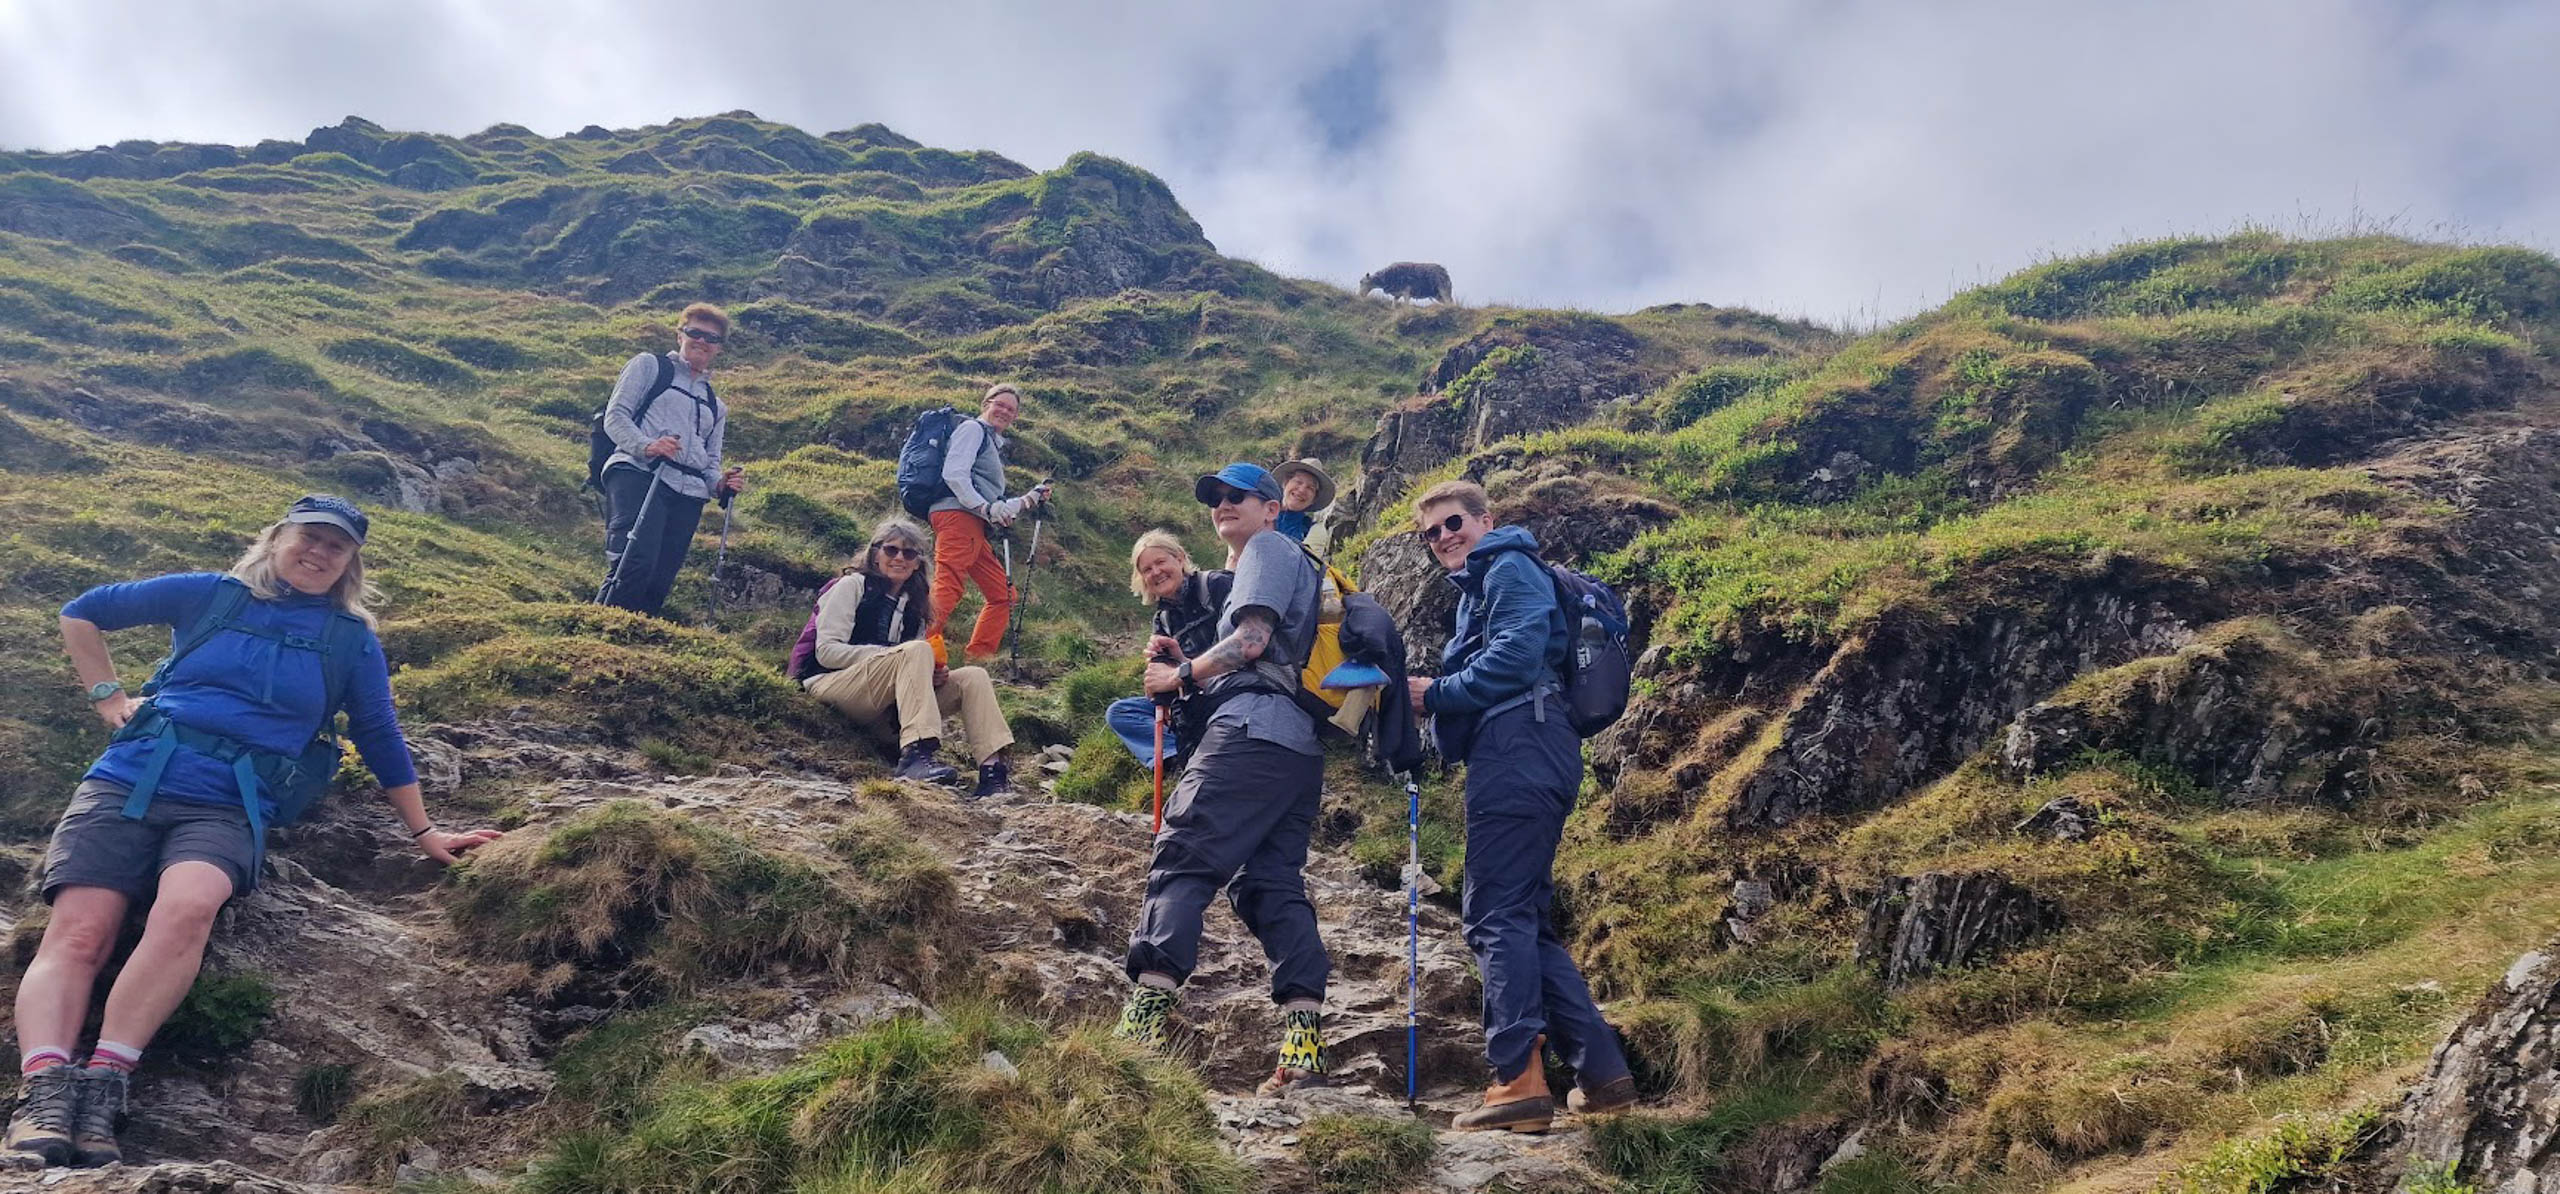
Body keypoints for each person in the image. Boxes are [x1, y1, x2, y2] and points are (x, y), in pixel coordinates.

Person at [8, 496, 502, 1169]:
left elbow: (379, 734)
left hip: (231, 805)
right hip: (127, 780)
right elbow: (83, 609)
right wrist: (109, 698)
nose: (320, 552)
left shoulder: (350, 640)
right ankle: (43, 1091)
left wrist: (426, 833)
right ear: (277, 539)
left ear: (350, 563)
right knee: (81, 932)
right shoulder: (211, 594)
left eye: (337, 546)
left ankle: (103, 1083)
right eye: (310, 537)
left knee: (188, 907)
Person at [1404, 480, 1635, 1132]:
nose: (1445, 536)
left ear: (1486, 520)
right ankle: (1604, 1074)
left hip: (1518, 742)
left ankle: (1516, 1080)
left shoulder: (1508, 566)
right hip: (1534, 746)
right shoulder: (1485, 582)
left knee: (1493, 913)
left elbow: (1517, 656)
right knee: (1526, 921)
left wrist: (1436, 694)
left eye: (1454, 523)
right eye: (1432, 533)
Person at [1114, 464, 1332, 1095]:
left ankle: (1142, 1028)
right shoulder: (1294, 562)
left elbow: (1254, 640)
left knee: (1182, 858)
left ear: (1272, 509)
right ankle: (1303, 1052)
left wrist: (1179, 678)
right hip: (1297, 749)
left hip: (1247, 731)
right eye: (1215, 499)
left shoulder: (1267, 548)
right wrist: (1194, 664)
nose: (1223, 506)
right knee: (1269, 887)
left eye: (1238, 496)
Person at [788, 516, 1018, 799]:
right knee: (916, 650)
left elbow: (910, 664)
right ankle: (917, 755)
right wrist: (892, 657)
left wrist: (930, 676)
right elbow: (827, 651)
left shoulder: (916, 605)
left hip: (885, 707)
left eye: (909, 553)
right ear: (875, 553)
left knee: (973, 677)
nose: (899, 558)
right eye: (891, 550)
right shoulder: (852, 586)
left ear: (918, 562)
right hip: (830, 685)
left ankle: (993, 773)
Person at [595, 302, 746, 617]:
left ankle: (633, 644)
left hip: (688, 493)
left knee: (661, 577)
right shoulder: (650, 366)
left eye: (712, 338)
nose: (703, 341)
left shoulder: (715, 405)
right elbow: (616, 416)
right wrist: (647, 446)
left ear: (719, 348)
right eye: (695, 333)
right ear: (680, 334)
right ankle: (598, 636)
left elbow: (710, 460)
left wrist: (719, 484)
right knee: (634, 561)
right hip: (639, 473)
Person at [927, 383, 1050, 663]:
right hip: (959, 517)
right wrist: (983, 506)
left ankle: (979, 657)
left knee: (1002, 594)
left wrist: (1031, 498)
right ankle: (919, 650)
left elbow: (997, 508)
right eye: (1000, 404)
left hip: (973, 524)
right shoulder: (973, 430)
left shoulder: (990, 442)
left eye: (1011, 409)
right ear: (986, 404)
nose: (1004, 411)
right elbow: (955, 474)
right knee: (949, 585)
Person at [1103, 530, 1231, 773]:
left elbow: (1239, 650)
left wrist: (1181, 662)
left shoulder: (1216, 586)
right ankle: (1176, 759)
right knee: (1120, 712)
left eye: (1160, 562)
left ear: (1180, 558)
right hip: (1192, 699)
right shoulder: (1163, 619)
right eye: (1147, 570)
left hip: (1231, 691)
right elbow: (1155, 693)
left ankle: (1195, 757)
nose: (1156, 572)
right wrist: (1156, 671)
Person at [1271, 458, 1336, 555]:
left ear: (1314, 499)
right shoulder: (1261, 513)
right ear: (1285, 483)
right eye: (1298, 482)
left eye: (1310, 488)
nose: (1302, 490)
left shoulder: (1313, 530)